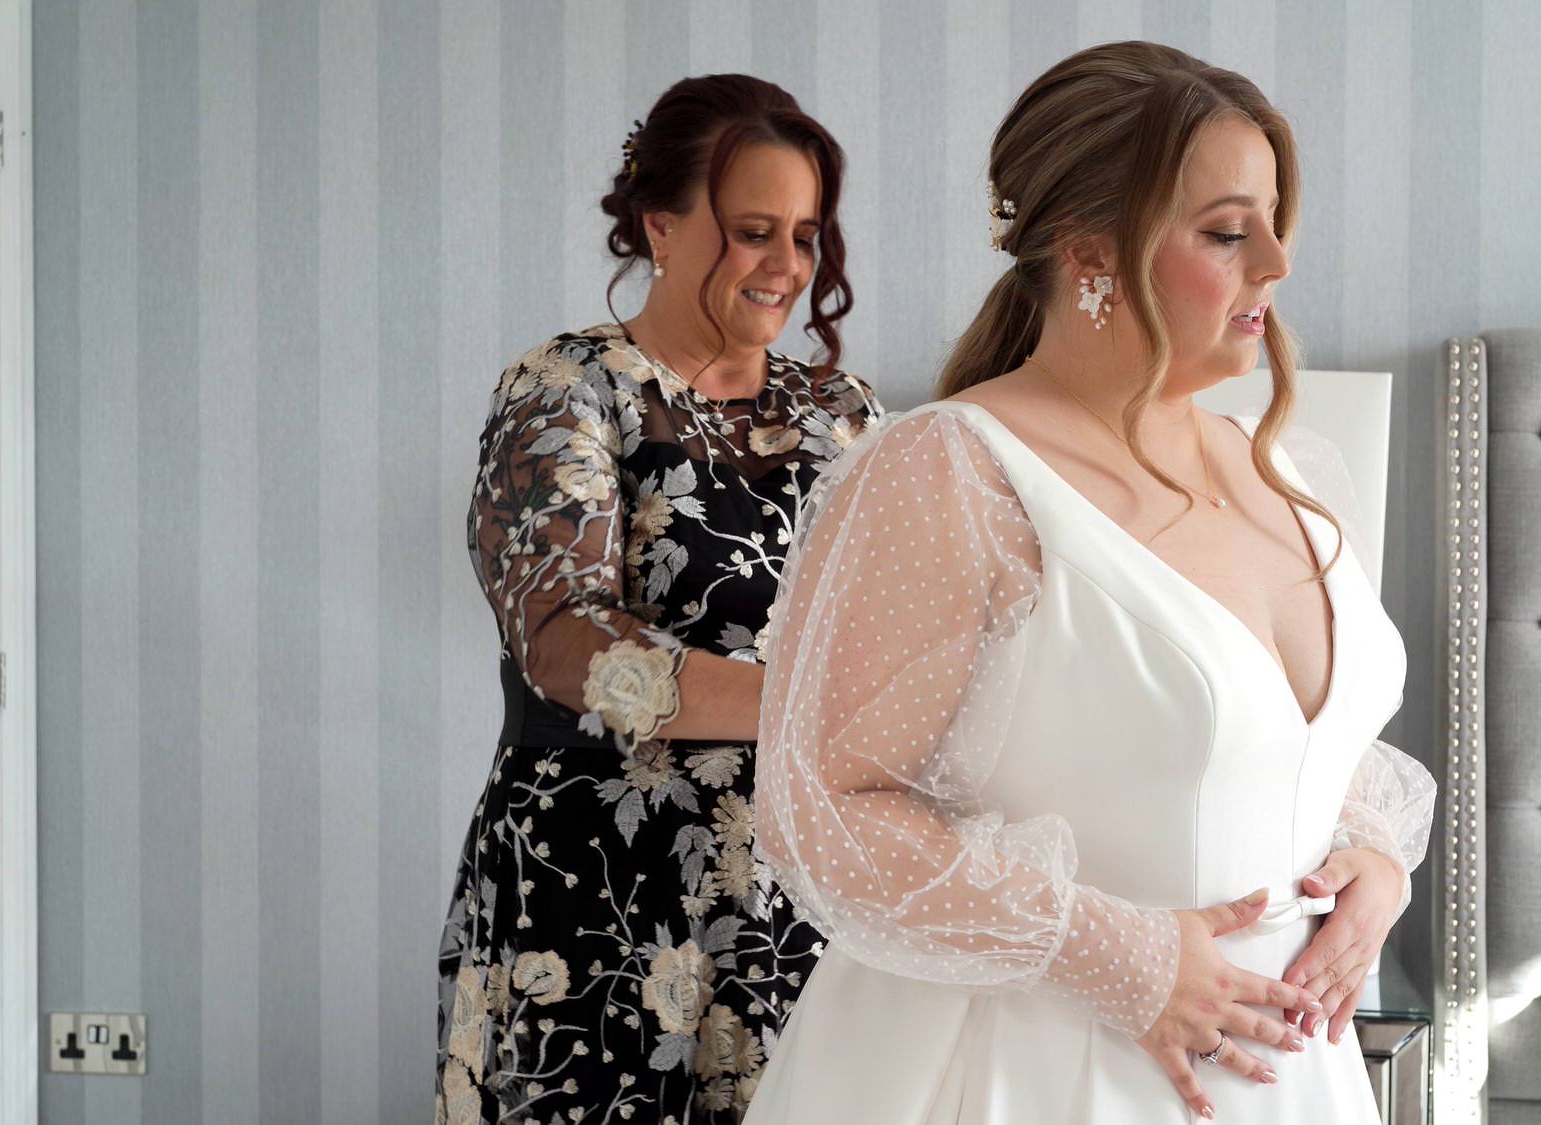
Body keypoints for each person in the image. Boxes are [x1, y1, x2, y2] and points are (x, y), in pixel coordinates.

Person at [745, 42, 1434, 1123]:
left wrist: (1368, 868)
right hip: (1032, 1071)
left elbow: (1285, 754)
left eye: (1272, 221)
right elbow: (823, 811)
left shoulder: (1279, 468)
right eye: (1223, 231)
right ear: (1088, 256)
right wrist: (1115, 950)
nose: (1276, 264)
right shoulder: (949, 472)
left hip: (1286, 1077)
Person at [437, 74, 882, 1124]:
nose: (785, 265)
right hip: (592, 891)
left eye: (805, 235)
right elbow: (566, 642)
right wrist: (809, 706)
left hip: (797, 898)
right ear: (661, 227)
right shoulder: (567, 387)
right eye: (752, 230)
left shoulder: (843, 413)